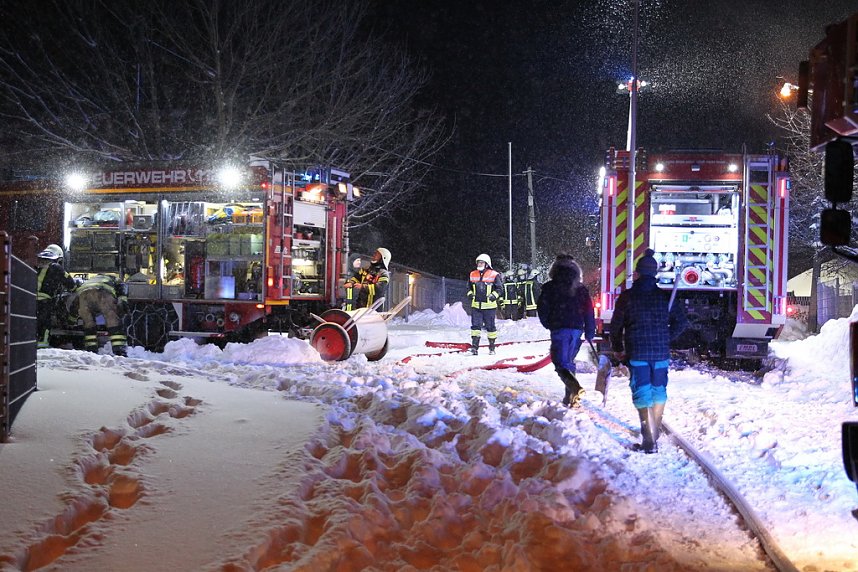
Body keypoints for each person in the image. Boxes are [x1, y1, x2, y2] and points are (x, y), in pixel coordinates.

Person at [610, 248, 688, 453]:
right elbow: (681, 322)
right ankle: (654, 432)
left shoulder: (627, 297)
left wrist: (618, 349)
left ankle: (649, 440)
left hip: (638, 353)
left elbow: (616, 326)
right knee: (659, 390)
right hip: (661, 354)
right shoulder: (664, 298)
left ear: (637, 272)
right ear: (654, 274)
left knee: (642, 390)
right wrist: (666, 337)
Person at [536, 254, 595, 408]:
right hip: (576, 329)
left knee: (560, 363)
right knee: (568, 361)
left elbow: (542, 308)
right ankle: (571, 397)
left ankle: (574, 388)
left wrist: (548, 323)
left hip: (559, 328)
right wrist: (589, 329)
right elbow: (589, 310)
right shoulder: (581, 289)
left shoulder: (549, 287)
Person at [67, 274, 129, 356]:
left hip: (83, 294)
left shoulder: (89, 281)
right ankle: (119, 351)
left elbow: (75, 304)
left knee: (88, 323)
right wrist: (123, 299)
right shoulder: (113, 278)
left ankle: (91, 350)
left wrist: (71, 321)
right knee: (112, 320)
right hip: (102, 293)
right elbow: (122, 286)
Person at [35, 244, 77, 349]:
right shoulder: (56, 267)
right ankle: (42, 345)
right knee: (44, 323)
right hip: (44, 301)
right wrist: (74, 288)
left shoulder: (36, 265)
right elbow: (69, 282)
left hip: (29, 299)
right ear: (58, 258)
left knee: (32, 321)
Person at [467, 253, 504, 355]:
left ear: (487, 264)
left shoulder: (494, 275)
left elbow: (500, 289)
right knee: (475, 327)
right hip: (476, 307)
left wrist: (494, 295)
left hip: (489, 307)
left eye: (482, 262)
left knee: (491, 328)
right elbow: (468, 288)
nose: (479, 264)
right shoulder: (472, 274)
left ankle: (492, 348)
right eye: (478, 262)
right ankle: (474, 348)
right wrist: (470, 294)